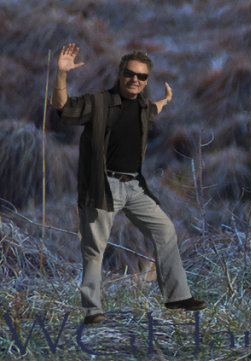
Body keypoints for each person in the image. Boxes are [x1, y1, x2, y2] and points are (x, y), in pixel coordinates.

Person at [52, 43, 207, 325]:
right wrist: (61, 75)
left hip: (134, 187)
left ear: (147, 80)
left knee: (166, 231)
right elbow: (63, 109)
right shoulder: (98, 102)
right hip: (103, 186)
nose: (135, 80)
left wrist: (166, 101)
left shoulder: (144, 107)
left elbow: (151, 110)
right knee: (95, 249)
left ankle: (177, 297)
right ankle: (93, 310)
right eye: (130, 74)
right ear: (120, 74)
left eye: (142, 76)